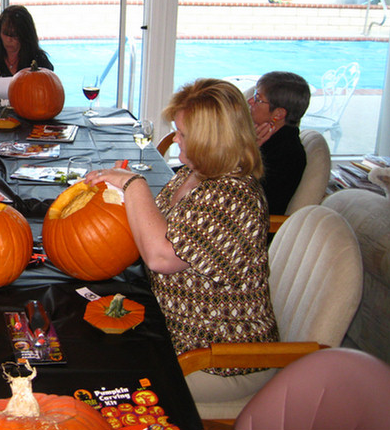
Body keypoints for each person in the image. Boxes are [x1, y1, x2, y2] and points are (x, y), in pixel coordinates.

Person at [87, 79, 278, 385]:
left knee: (99, 369)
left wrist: (133, 185)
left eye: (183, 133)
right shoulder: (196, 173)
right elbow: (157, 225)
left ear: (211, 139)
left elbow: (162, 256)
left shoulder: (232, 197)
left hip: (216, 355)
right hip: (172, 328)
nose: (175, 139)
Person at [248, 71, 311, 215]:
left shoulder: (287, 154)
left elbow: (250, 200)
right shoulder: (265, 139)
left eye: (258, 98)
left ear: (278, 114)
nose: (250, 101)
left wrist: (249, 152)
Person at [0, 5, 53, 84]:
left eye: (14, 35)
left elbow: (50, 93)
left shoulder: (39, 62)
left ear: (25, 35)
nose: (8, 40)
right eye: (5, 34)